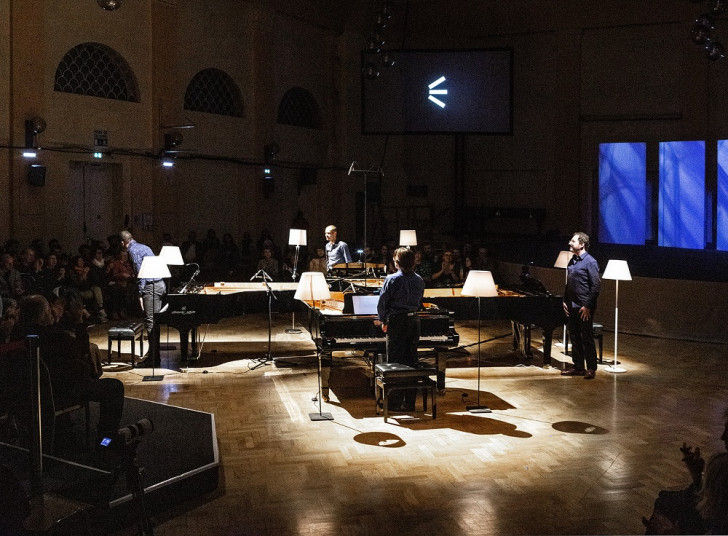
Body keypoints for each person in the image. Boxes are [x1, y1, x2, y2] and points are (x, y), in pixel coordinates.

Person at [375, 247, 426, 411]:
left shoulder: (391, 279)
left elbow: (382, 303)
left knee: (395, 362)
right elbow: (419, 301)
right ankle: (410, 402)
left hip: (397, 322)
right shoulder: (419, 280)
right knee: (412, 360)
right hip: (414, 321)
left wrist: (383, 320)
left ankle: (394, 403)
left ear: (397, 263)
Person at [119, 230, 165, 367]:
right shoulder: (145, 247)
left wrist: (140, 294)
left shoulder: (133, 251)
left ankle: (153, 359)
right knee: (154, 322)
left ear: (122, 243)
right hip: (159, 284)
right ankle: (154, 357)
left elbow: (141, 274)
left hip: (151, 287)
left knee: (150, 323)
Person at [561, 231, 601, 379]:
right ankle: (578, 366)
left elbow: (596, 286)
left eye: (573, 241)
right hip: (571, 304)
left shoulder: (590, 262)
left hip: (584, 307)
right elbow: (569, 284)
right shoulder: (572, 261)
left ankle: (591, 368)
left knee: (586, 337)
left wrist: (588, 306)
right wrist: (565, 300)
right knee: (574, 336)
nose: (569, 243)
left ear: (582, 244)